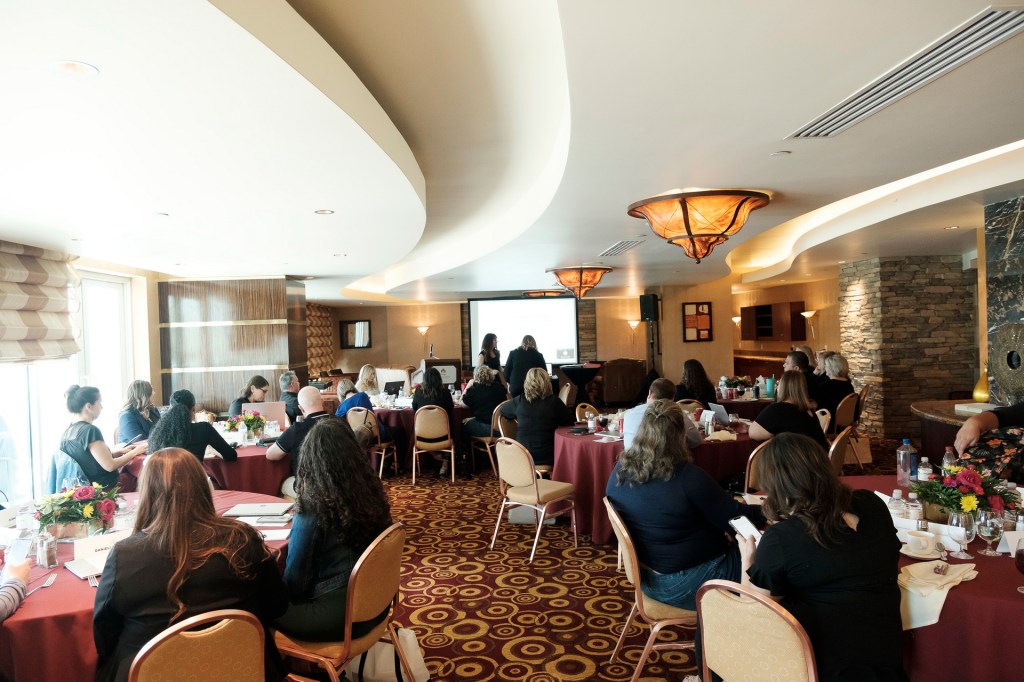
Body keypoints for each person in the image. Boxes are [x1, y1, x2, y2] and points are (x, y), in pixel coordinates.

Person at [93, 448, 288, 682]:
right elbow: (276, 605)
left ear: (147, 493)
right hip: (240, 667)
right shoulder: (242, 539)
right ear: (203, 487)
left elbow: (104, 635)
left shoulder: (124, 556)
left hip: (154, 673)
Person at [739, 434, 906, 682]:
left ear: (777, 485)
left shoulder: (783, 537)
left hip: (821, 665)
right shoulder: (872, 504)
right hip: (886, 654)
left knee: (716, 620)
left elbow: (752, 609)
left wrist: (747, 562)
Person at [606, 400, 764, 610]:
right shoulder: (687, 478)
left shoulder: (619, 471)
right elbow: (737, 519)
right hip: (689, 582)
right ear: (680, 435)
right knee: (771, 563)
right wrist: (770, 510)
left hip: (646, 578)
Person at [274, 419, 393, 641]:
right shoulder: (370, 489)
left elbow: (296, 584)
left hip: (340, 618)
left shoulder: (313, 506)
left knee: (261, 603)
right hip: (377, 602)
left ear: (310, 460)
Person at [61, 385, 147, 489]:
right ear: (89, 406)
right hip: (106, 487)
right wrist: (135, 452)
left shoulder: (68, 431)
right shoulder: (90, 431)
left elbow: (88, 459)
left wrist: (119, 452)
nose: (102, 407)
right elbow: (110, 466)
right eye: (99, 403)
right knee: (147, 477)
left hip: (85, 487)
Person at [499, 367, 572, 466]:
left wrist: (518, 417)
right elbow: (569, 422)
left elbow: (503, 410)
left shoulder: (520, 400)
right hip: (547, 456)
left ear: (527, 382)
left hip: (522, 455)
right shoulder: (554, 401)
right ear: (547, 382)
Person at [147, 390, 236, 462]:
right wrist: (212, 450)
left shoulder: (155, 432)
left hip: (161, 483)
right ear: (193, 409)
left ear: (170, 408)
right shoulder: (204, 429)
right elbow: (231, 456)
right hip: (193, 483)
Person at [749, 370, 829, 449]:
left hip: (798, 460)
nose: (777, 386)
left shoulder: (778, 409)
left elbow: (753, 433)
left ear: (783, 387)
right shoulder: (809, 411)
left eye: (779, 383)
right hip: (820, 458)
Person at [267, 387, 336, 474]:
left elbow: (271, 455)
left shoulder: (296, 429)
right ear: (322, 401)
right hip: (345, 482)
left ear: (301, 408)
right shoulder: (342, 422)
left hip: (309, 485)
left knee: (283, 483)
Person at [625, 378, 702, 449]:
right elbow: (696, 440)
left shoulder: (630, 414)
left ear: (649, 393)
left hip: (634, 461)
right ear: (673, 398)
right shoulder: (678, 414)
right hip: (669, 462)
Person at [412, 367, 456, 475]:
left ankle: (434, 455)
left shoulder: (418, 392)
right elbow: (450, 408)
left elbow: (414, 408)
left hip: (422, 437)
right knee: (451, 425)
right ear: (439, 379)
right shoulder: (445, 392)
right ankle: (445, 462)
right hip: (444, 436)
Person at [461, 365, 508, 438]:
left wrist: (468, 385)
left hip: (488, 429)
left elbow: (462, 405)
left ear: (475, 377)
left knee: (464, 424)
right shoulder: (500, 387)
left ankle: (466, 449)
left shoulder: (475, 390)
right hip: (503, 427)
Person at [812, 353, 855, 423]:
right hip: (845, 421)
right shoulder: (848, 384)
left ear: (832, 368)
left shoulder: (826, 386)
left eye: (826, 366)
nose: (825, 368)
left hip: (829, 423)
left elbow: (817, 406)